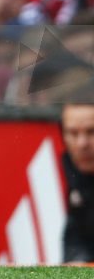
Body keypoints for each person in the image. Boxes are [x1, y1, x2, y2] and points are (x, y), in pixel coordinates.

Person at [61, 97, 94, 263]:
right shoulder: (72, 166)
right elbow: (75, 234)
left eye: (91, 131)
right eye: (73, 133)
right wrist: (77, 261)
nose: (82, 144)